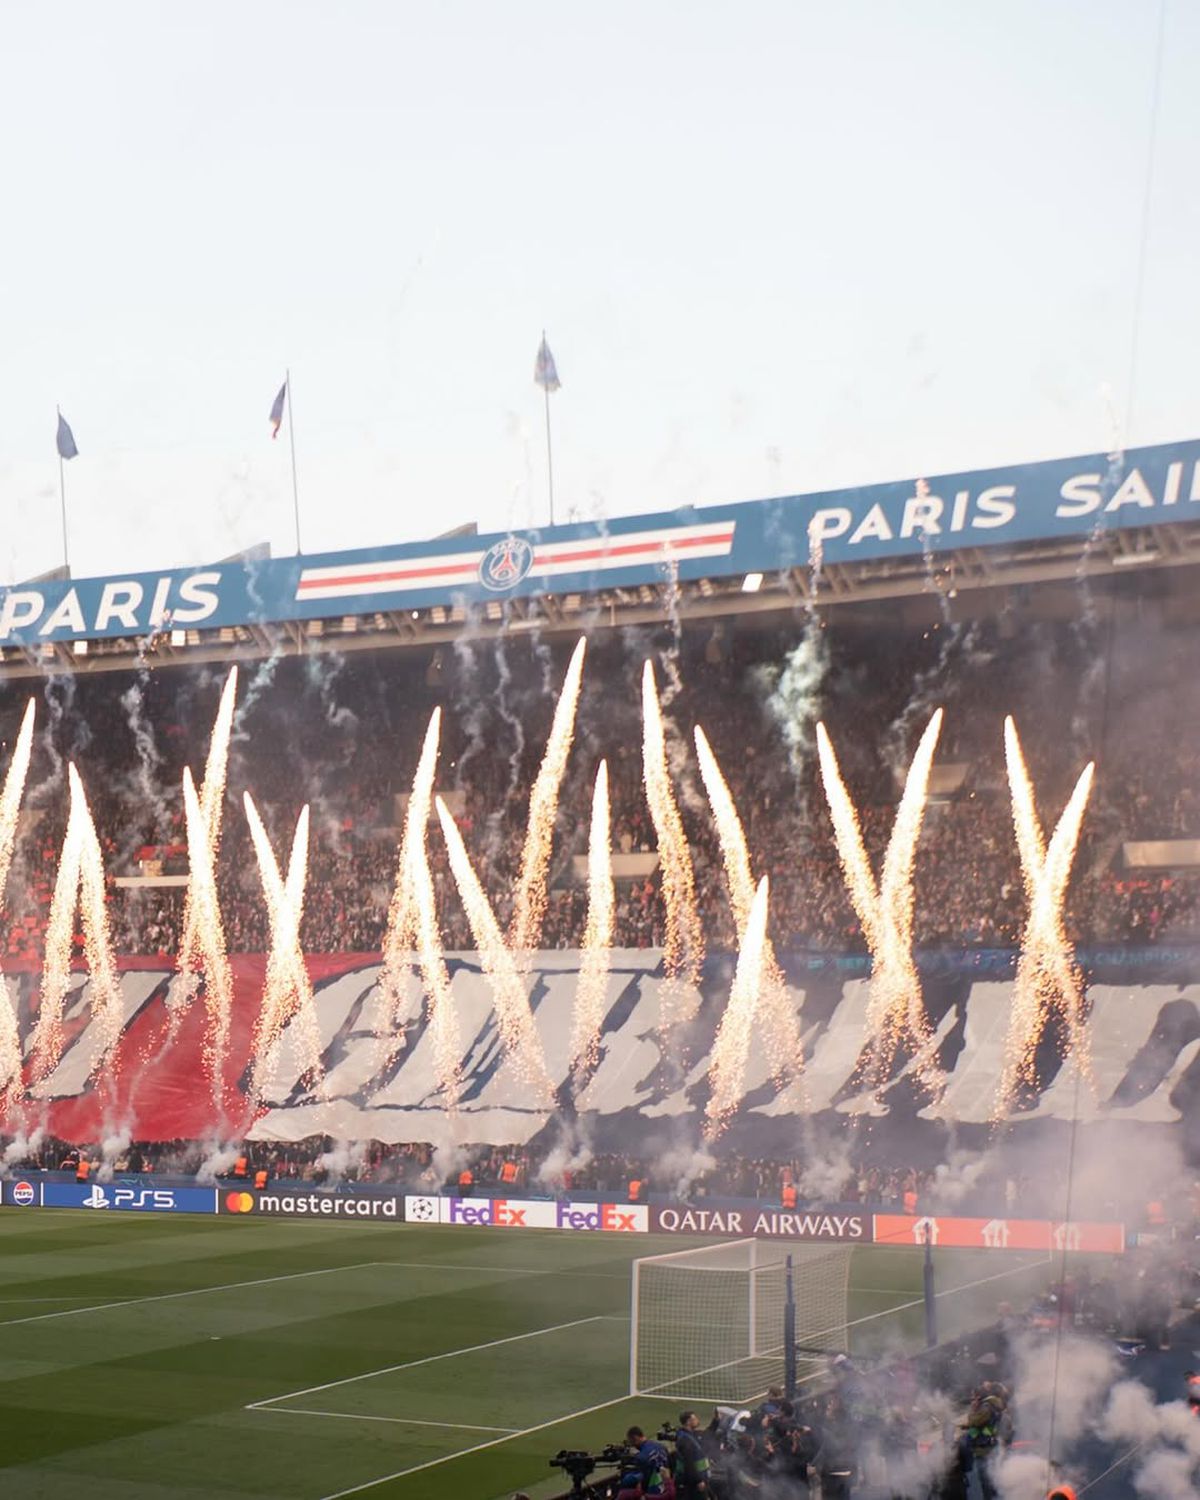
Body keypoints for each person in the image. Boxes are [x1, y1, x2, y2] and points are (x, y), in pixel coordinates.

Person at [623, 1426, 671, 1497]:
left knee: (626, 1481)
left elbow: (644, 1481)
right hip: (667, 1486)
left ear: (635, 1438)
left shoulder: (641, 1457)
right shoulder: (661, 1446)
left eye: (631, 1442)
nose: (632, 1445)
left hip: (653, 1492)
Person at [674, 1411, 711, 1498]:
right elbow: (689, 1463)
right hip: (693, 1483)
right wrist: (698, 1480)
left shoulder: (688, 1435)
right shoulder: (685, 1440)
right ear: (688, 1422)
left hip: (695, 1480)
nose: (697, 1420)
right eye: (694, 1419)